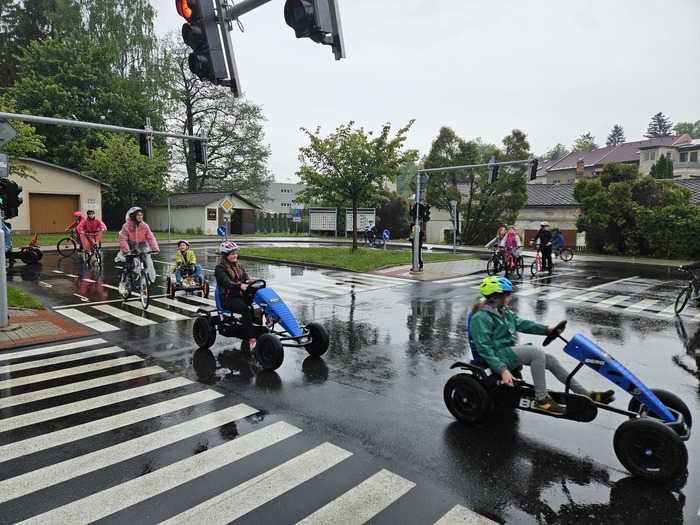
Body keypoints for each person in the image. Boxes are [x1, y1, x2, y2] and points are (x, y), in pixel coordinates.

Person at [469, 276, 615, 415]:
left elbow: (522, 323)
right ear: (495, 297)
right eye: (507, 295)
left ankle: (584, 394)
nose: (511, 297)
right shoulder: (481, 318)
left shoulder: (503, 311)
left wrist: (547, 330)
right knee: (536, 352)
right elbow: (484, 348)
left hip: (507, 351)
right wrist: (502, 370)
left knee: (550, 359)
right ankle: (542, 399)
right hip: (497, 354)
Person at [215, 240, 257, 350]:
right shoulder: (220, 269)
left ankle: (267, 317)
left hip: (240, 295)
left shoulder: (238, 265)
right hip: (228, 298)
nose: (235, 256)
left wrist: (248, 281)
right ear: (225, 255)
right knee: (245, 309)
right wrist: (240, 286)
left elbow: (245, 276)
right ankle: (251, 338)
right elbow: (226, 283)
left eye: (236, 253)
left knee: (260, 298)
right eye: (232, 254)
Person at [118, 206, 159, 283]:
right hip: (130, 248)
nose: (140, 217)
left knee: (146, 264)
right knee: (130, 265)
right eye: (138, 215)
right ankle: (125, 280)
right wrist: (127, 251)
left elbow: (150, 237)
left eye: (141, 215)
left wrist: (155, 248)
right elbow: (123, 239)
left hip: (142, 247)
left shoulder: (144, 226)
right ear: (133, 216)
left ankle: (143, 279)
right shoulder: (126, 226)